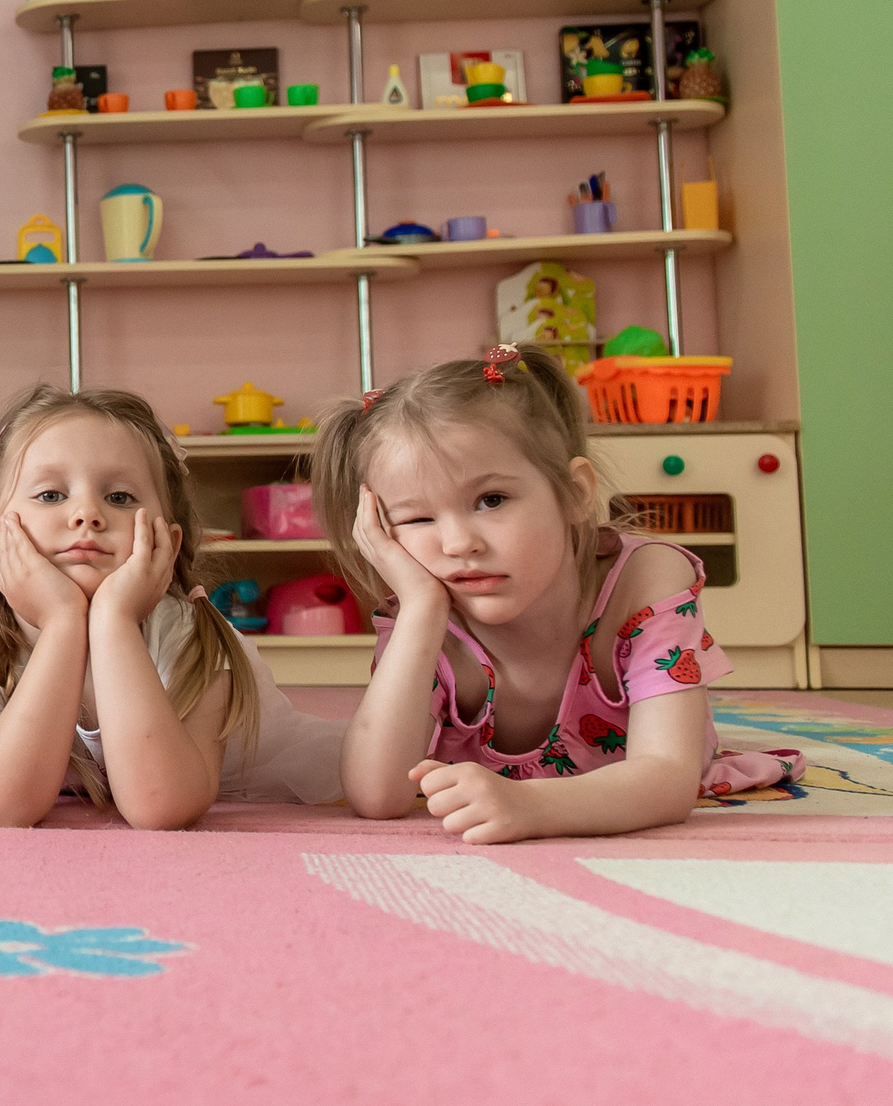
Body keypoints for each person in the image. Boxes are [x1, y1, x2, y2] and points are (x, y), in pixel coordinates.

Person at [314, 345, 798, 843]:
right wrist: (419, 610)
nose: (459, 544)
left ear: (576, 492)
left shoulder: (646, 578)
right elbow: (377, 796)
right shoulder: (424, 618)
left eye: (491, 500)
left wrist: (530, 806)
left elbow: (667, 781)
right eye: (416, 518)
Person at [0, 383, 342, 828]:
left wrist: (113, 621)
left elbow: (161, 807)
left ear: (167, 544)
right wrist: (63, 622)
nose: (87, 514)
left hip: (270, 777)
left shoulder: (190, 635)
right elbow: (8, 803)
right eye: (50, 495)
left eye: (119, 497)